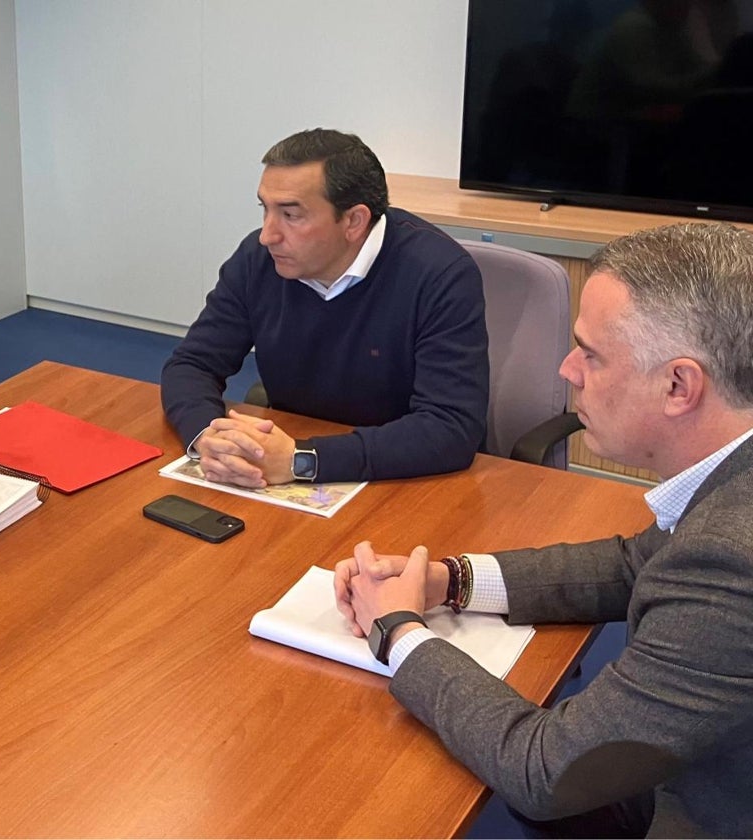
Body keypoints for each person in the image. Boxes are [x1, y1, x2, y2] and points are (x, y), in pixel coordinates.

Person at [334, 221, 753, 838]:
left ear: (678, 385)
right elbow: (638, 562)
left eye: (590, 353)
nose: (565, 369)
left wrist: (398, 633)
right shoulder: (728, 486)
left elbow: (548, 772)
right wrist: (450, 581)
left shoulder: (731, 558)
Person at [160, 128, 489, 486]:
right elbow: (192, 364)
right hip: (292, 466)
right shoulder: (259, 260)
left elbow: (450, 428)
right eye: (265, 209)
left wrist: (303, 460)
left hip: (404, 481)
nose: (267, 235)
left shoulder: (440, 274)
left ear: (353, 221)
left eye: (291, 215)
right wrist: (209, 438)